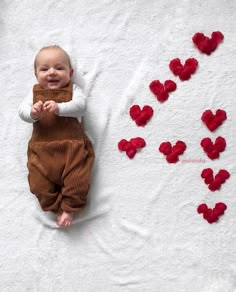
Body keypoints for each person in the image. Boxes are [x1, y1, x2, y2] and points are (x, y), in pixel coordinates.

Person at [19, 45, 95, 227]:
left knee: (78, 180)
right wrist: (32, 113)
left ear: (71, 72)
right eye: (45, 69)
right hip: (41, 150)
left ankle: (69, 207)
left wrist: (60, 108)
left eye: (59, 68)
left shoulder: (73, 90)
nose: (52, 72)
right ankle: (55, 207)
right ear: (36, 74)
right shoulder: (34, 93)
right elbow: (22, 112)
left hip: (72, 148)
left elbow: (81, 106)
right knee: (38, 184)